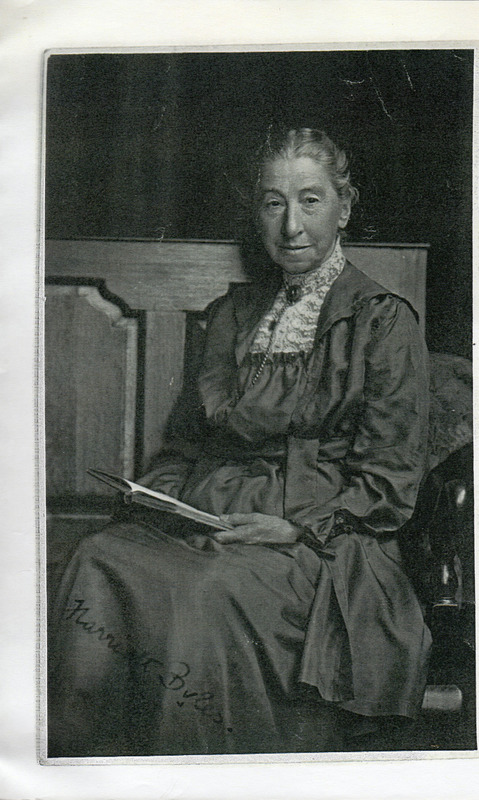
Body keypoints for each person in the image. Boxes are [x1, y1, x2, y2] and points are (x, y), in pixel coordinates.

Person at [48, 128, 431, 757]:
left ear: (345, 207)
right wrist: (159, 501)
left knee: (204, 591)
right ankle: (81, 775)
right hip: (207, 514)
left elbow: (389, 480)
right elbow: (184, 445)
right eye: (273, 203)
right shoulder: (235, 313)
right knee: (97, 557)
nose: (291, 226)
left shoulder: (382, 319)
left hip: (318, 541)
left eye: (310, 201)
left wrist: (293, 527)